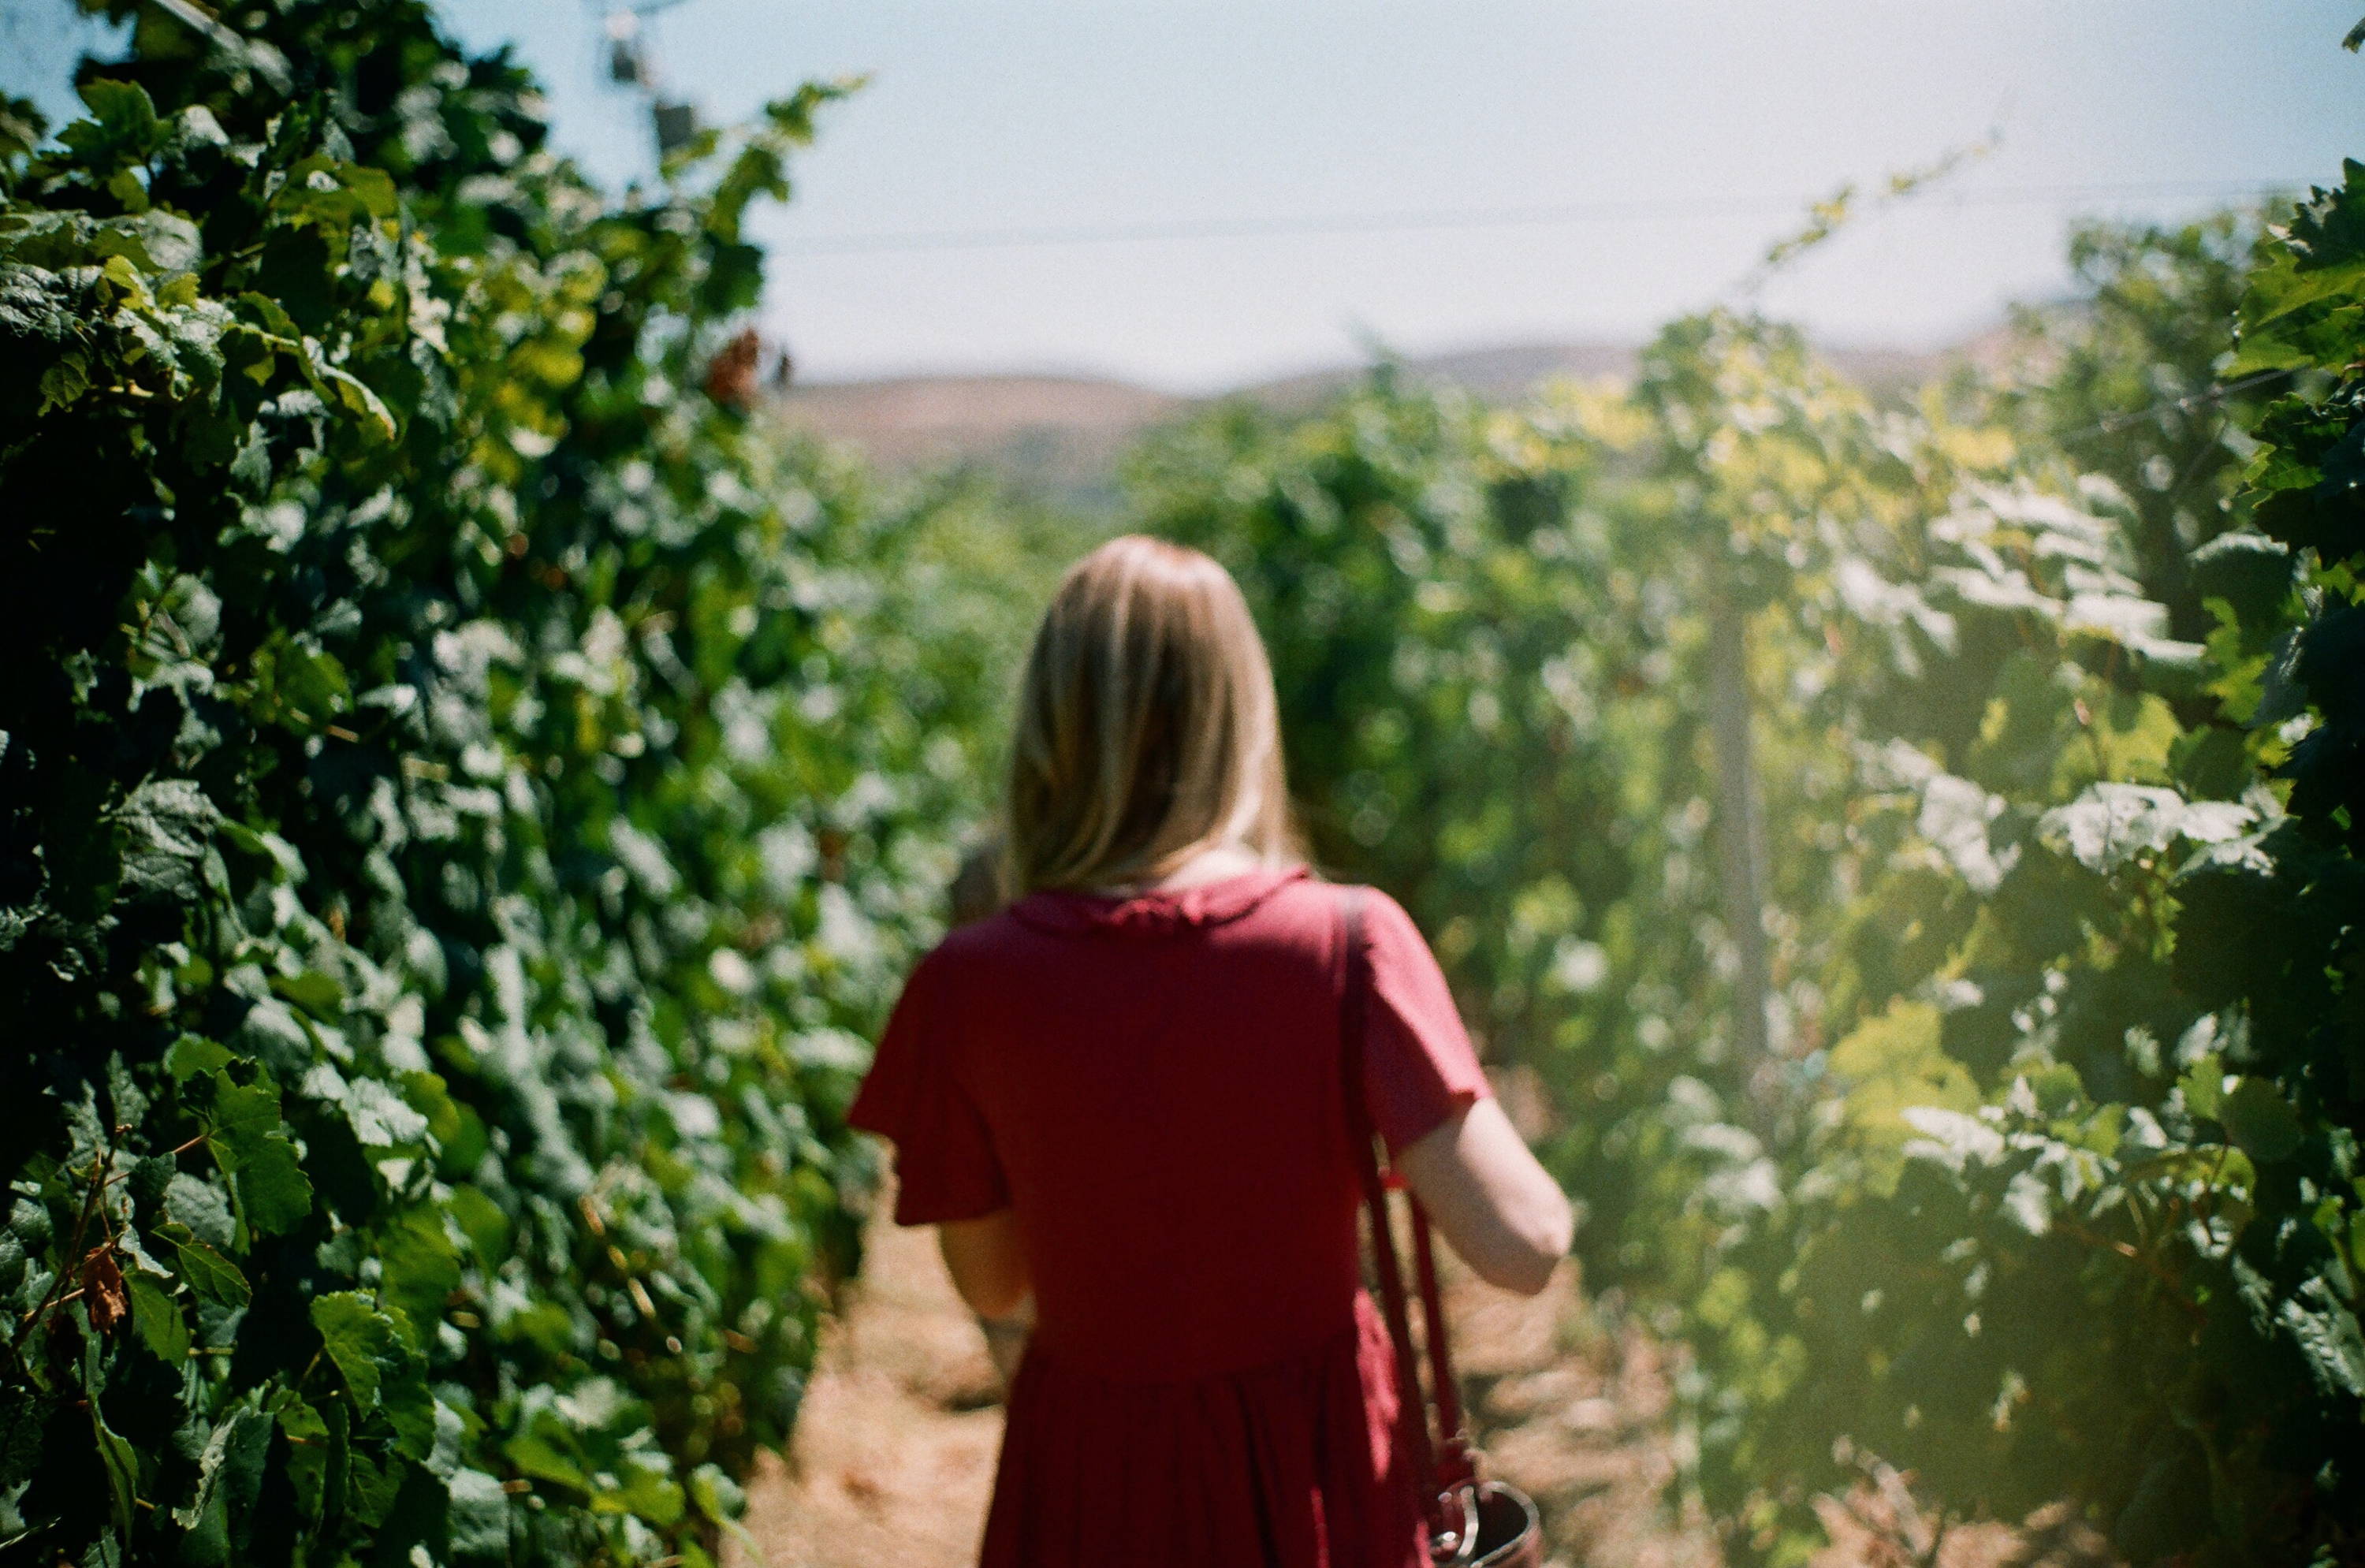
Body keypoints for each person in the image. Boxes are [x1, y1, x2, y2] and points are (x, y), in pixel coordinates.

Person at [847, 534, 1573, 1568]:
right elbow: (1525, 1241)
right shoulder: (1348, 943)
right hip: (1315, 1476)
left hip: (1093, 1481)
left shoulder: (971, 981)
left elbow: (994, 1282)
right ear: (1240, 718)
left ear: (1049, 722)